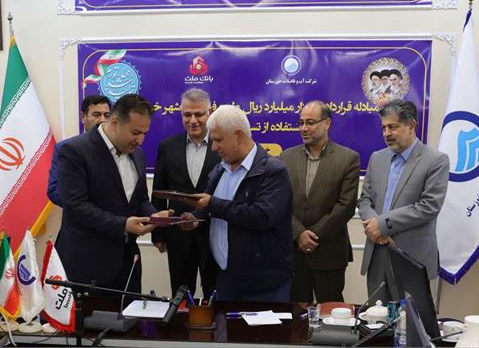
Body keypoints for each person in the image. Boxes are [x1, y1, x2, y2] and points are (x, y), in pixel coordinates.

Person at [178, 105, 293, 302]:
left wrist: (212, 204)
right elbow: (209, 206)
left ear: (239, 136)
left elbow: (261, 216)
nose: (213, 147)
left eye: (218, 140)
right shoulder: (220, 169)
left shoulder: (273, 172)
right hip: (223, 280)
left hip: (263, 286)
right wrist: (195, 219)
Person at [56, 94, 170, 293]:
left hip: (128, 264)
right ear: (115, 122)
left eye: (144, 133)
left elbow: (139, 199)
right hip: (88, 266)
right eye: (135, 132)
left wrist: (154, 216)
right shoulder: (74, 150)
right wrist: (123, 225)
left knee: (131, 314)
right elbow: (76, 206)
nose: (140, 140)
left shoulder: (137, 153)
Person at [358, 99, 449, 303]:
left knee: (410, 320)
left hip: (411, 258)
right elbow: (365, 200)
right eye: (383, 128)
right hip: (378, 254)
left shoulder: (435, 160)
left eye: (393, 127)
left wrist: (382, 225)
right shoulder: (377, 158)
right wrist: (375, 227)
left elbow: (429, 206)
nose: (386, 133)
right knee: (375, 317)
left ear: (411, 125)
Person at [280, 101, 360, 303]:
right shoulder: (286, 157)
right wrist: (299, 233)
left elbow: (346, 206)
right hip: (294, 252)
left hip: (329, 252)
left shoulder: (348, 158)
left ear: (327, 123)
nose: (304, 128)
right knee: (296, 312)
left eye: (310, 122)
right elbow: (279, 202)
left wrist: (313, 236)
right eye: (301, 123)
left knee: (331, 312)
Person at [151, 88, 220, 299]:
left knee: (215, 294)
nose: (193, 121)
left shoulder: (222, 146)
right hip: (178, 236)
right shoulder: (167, 147)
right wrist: (158, 233)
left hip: (214, 234)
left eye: (199, 114)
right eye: (187, 115)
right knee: (181, 295)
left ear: (210, 112)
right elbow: (158, 193)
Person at [47, 95, 111, 207]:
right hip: (79, 215)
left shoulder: (118, 149)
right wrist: (84, 207)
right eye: (96, 115)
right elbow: (54, 190)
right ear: (83, 117)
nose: (102, 120)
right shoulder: (65, 148)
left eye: (107, 115)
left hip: (114, 217)